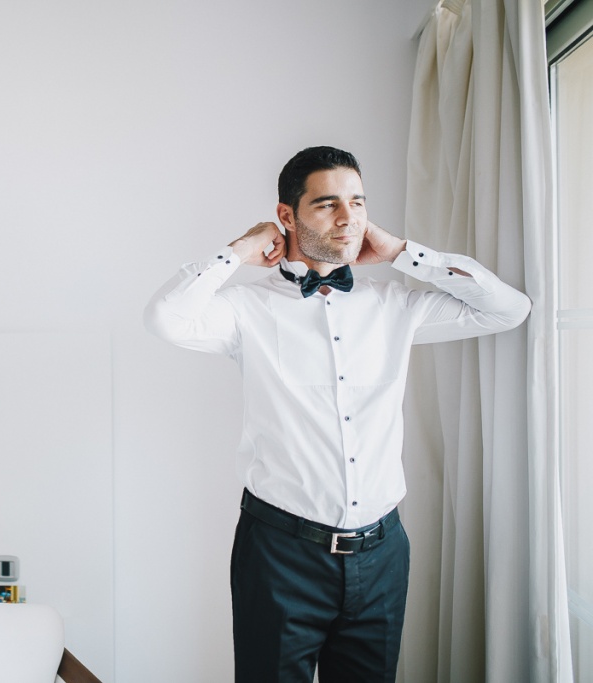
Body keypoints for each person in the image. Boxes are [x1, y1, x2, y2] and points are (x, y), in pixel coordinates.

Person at [143, 146, 531, 683]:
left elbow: (509, 310)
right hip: (281, 553)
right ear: (287, 215)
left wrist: (404, 254)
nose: (349, 218)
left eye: (358, 202)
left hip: (382, 553)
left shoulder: (396, 305)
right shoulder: (245, 310)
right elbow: (166, 318)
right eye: (328, 204)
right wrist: (239, 251)